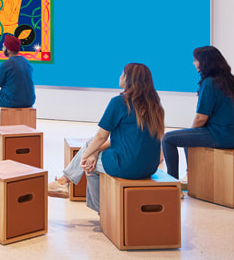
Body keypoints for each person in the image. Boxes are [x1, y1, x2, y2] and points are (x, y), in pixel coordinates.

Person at [48, 62, 165, 212]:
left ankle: (102, 212)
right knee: (91, 147)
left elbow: (101, 136)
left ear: (129, 79)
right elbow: (128, 140)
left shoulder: (119, 102)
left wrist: (87, 156)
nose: (120, 76)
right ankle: (64, 181)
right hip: (149, 167)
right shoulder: (155, 106)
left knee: (89, 165)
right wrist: (94, 152)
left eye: (123, 73)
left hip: (128, 166)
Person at [161, 45, 234, 180]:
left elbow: (201, 118)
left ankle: (172, 182)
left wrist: (190, 131)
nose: (193, 63)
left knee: (167, 139)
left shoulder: (209, 83)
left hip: (222, 135)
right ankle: (191, 176)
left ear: (205, 62)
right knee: (187, 137)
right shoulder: (229, 81)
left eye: (196, 60)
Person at [0, 33, 35, 126]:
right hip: (29, 100)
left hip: (12, 101)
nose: (2, 48)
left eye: (3, 46)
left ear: (9, 49)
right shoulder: (26, 62)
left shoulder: (6, 64)